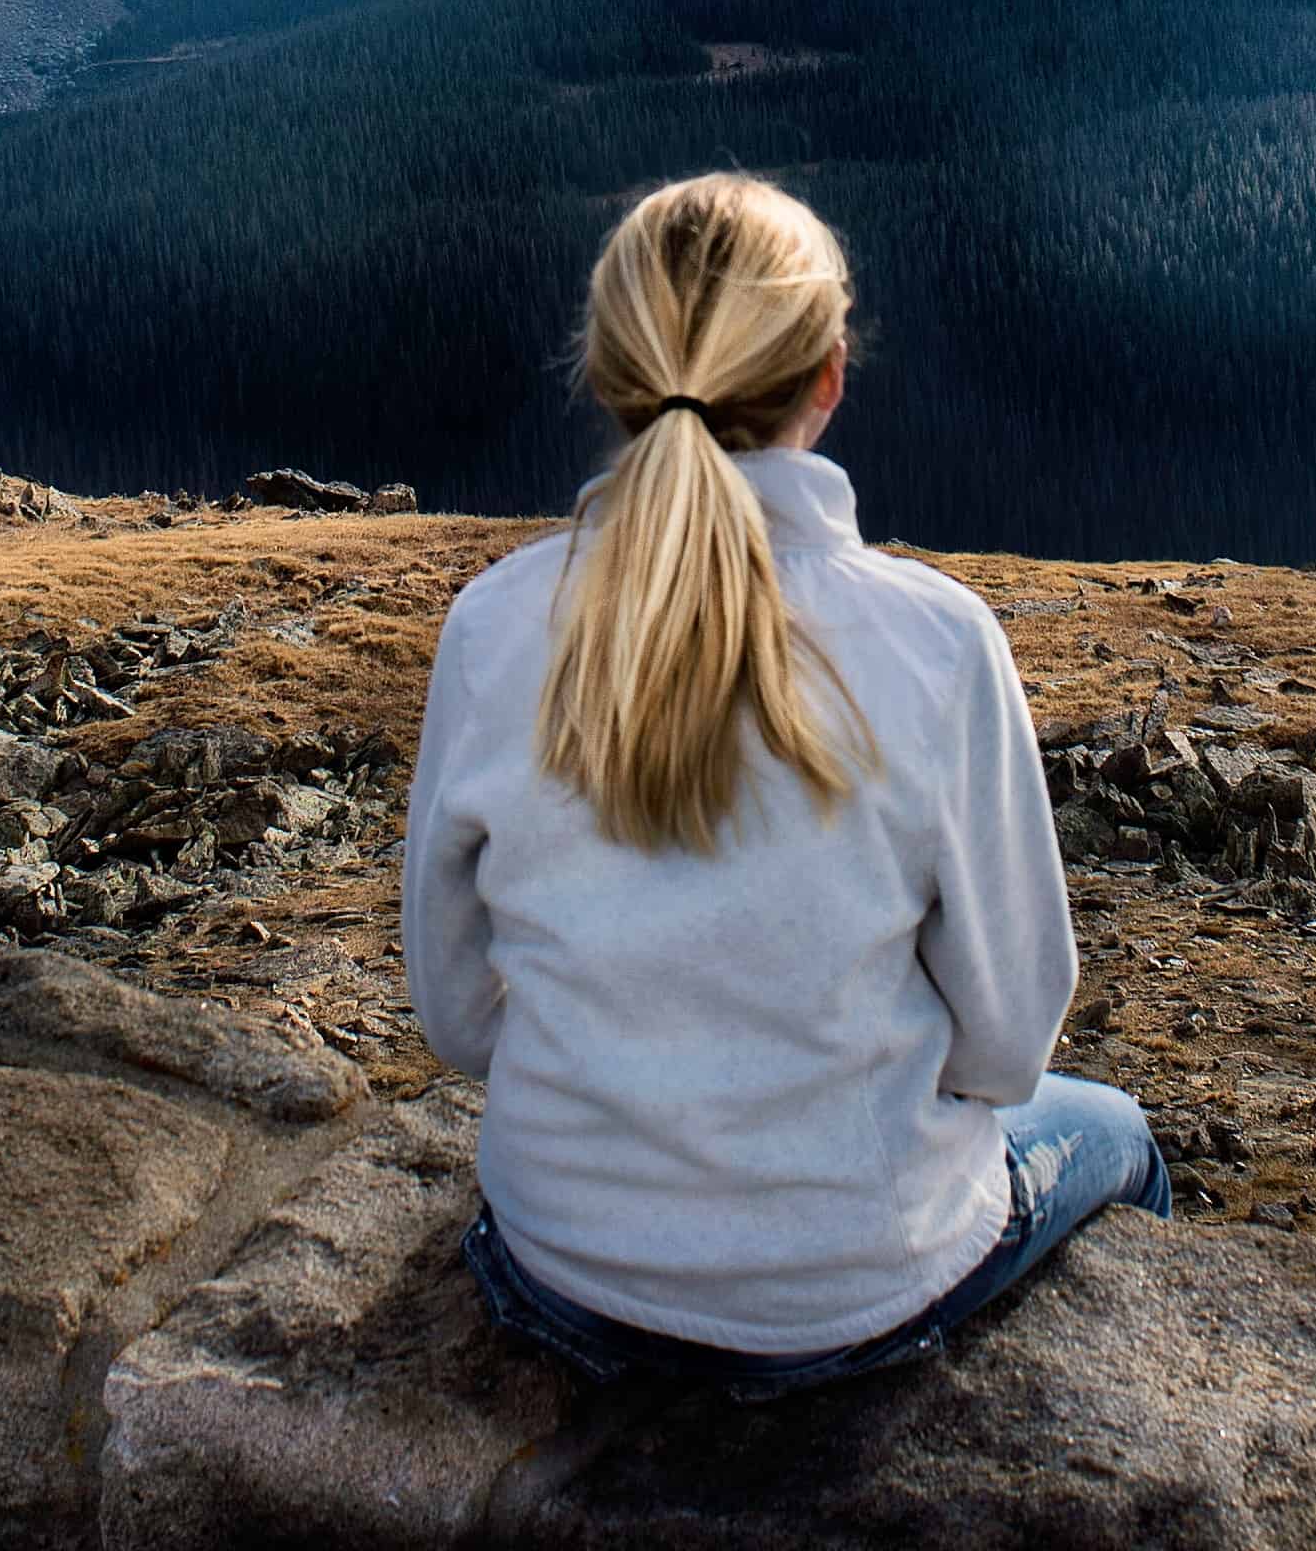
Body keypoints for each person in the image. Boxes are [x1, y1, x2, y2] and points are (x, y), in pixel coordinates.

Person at [399, 171, 1169, 1398]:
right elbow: (1010, 1042)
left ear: (609, 373)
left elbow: (456, 1017)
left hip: (559, 1261)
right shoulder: (935, 641)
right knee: (1118, 1131)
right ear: (827, 377)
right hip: (851, 1284)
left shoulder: (495, 628)